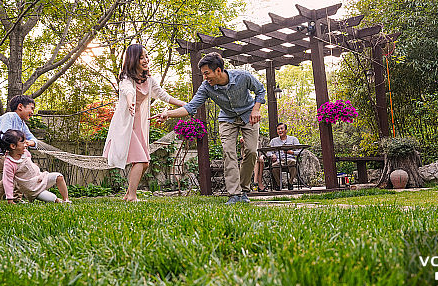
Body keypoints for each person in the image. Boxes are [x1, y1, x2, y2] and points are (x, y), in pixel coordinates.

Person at [156, 52, 266, 205]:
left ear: (218, 70)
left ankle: (243, 190)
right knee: (229, 152)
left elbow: (260, 90)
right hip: (227, 119)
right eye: (203, 74)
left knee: (251, 152)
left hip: (249, 115)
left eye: (207, 73)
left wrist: (256, 109)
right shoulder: (206, 87)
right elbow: (190, 107)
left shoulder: (242, 76)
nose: (205, 77)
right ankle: (234, 194)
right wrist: (168, 114)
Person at [104, 43, 186, 202]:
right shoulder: (126, 79)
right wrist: (130, 102)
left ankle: (128, 194)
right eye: (141, 57)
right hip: (126, 125)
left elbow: (163, 95)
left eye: (147, 56)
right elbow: (128, 90)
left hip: (138, 124)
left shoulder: (149, 80)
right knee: (141, 161)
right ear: (133, 59)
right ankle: (132, 197)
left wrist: (183, 104)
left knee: (145, 163)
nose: (146, 60)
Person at [0, 94, 38, 203]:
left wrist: (31, 142)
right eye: (31, 108)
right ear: (20, 107)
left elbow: (33, 139)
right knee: (14, 172)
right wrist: (21, 144)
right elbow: (6, 135)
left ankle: (16, 199)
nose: (33, 112)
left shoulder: (22, 124)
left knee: (17, 171)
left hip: (1, 152)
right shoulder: (9, 117)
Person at [0, 129, 70, 204]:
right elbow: (8, 181)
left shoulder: (25, 152)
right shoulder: (9, 163)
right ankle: (58, 200)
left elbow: (28, 161)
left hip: (41, 178)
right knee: (52, 198)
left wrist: (33, 166)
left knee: (59, 176)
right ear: (13, 146)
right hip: (33, 189)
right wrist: (10, 199)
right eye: (23, 143)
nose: (26, 145)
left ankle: (66, 200)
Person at [267, 122, 301, 190]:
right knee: (274, 166)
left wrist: (292, 152)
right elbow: (268, 152)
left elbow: (300, 151)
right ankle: (279, 184)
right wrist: (272, 155)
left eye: (281, 129)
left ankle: (290, 182)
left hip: (290, 159)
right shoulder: (274, 141)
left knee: (294, 163)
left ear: (286, 130)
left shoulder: (293, 139)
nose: (280, 130)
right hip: (279, 160)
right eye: (278, 129)